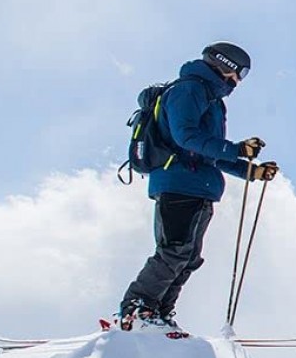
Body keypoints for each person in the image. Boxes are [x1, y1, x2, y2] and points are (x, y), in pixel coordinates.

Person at [117, 41, 279, 334]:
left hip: (200, 187)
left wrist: (250, 170)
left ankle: (159, 315)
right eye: (238, 72)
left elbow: (209, 153)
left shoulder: (213, 101)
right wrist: (237, 149)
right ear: (224, 64)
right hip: (178, 183)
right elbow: (186, 137)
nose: (238, 80)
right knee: (174, 251)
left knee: (189, 257)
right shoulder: (188, 90)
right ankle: (137, 310)